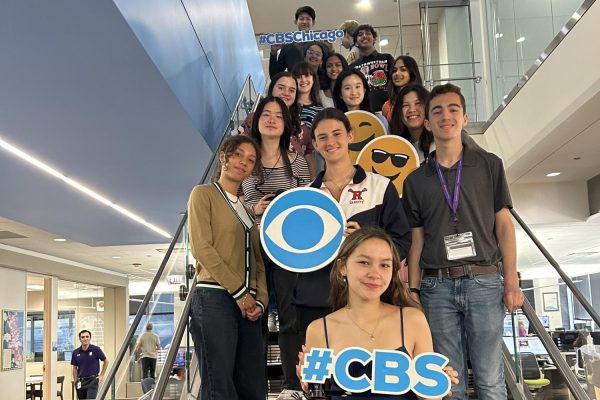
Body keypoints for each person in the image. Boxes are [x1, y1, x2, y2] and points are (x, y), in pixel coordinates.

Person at [402, 83, 524, 399]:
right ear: (426, 122)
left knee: (490, 379)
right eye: (437, 111)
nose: (446, 116)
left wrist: (511, 281)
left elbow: (504, 227)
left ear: (465, 117)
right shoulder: (416, 180)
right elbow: (417, 241)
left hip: (484, 282)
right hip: (436, 287)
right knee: (448, 381)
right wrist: (413, 290)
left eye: (453, 109)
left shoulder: (489, 165)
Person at [294, 108, 411, 347]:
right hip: (316, 297)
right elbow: (294, 252)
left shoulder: (379, 186)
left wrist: (365, 242)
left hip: (369, 301)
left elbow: (402, 241)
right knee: (321, 381)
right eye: (322, 137)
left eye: (337, 134)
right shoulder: (304, 196)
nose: (331, 142)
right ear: (315, 144)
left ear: (350, 136)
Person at [299, 228, 458, 399]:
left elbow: (429, 398)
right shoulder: (319, 330)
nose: (375, 274)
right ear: (342, 267)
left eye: (384, 265)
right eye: (364, 262)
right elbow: (318, 395)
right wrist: (308, 388)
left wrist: (436, 384)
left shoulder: (412, 320)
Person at [240, 96, 311, 400]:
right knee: (255, 313)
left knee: (289, 316)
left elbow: (310, 204)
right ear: (256, 122)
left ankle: (291, 386)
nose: (271, 119)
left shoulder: (297, 161)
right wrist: (253, 208)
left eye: (278, 115)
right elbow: (234, 203)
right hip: (254, 248)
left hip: (288, 250)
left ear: (285, 124)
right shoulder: (246, 160)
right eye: (265, 114)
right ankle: (253, 387)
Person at [188, 134, 267, 400]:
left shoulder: (246, 209)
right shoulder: (204, 194)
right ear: (224, 156)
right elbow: (202, 248)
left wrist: (260, 301)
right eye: (238, 155)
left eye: (250, 160)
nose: (243, 163)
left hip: (248, 304)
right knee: (218, 384)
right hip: (214, 298)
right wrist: (240, 294)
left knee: (251, 384)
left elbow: (257, 261)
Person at [241, 72, 317, 178]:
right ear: (272, 89)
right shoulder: (254, 119)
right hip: (255, 180)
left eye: (291, 90)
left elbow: (308, 155)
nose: (286, 93)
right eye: (281, 88)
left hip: (292, 185)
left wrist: (311, 184)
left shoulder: (301, 128)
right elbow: (240, 147)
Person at [349, 24, 395, 113]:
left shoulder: (387, 58)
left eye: (368, 33)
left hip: (388, 110)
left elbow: (394, 83)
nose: (364, 36)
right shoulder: (352, 67)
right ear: (356, 42)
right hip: (364, 112)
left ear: (374, 39)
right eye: (360, 34)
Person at [389, 84, 434, 163]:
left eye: (418, 103)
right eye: (405, 105)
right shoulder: (396, 148)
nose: (412, 110)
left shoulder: (439, 144)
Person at [269, 6, 316, 78]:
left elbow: (326, 69)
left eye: (308, 19)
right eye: (301, 19)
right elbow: (274, 75)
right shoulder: (287, 46)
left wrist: (331, 50)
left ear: (313, 22)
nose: (304, 22)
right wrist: (273, 53)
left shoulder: (319, 45)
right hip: (293, 87)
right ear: (295, 22)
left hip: (316, 87)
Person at [382, 56, 423, 123]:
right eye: (394, 70)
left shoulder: (424, 100)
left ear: (411, 73)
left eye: (403, 69)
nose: (397, 73)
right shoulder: (387, 106)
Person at [71, 329, 109, 400]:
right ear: (80, 339)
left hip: (92, 381)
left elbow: (106, 361)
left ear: (90, 338)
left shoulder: (96, 350)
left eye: (87, 337)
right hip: (80, 382)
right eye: (83, 337)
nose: (85, 339)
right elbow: (74, 368)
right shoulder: (75, 352)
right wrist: (76, 381)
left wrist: (101, 375)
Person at [292, 61, 324, 129]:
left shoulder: (320, 110)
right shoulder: (288, 104)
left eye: (307, 76)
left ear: (313, 79)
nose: (303, 80)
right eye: (298, 77)